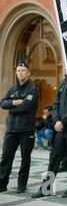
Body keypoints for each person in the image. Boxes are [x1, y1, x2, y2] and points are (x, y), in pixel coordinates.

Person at [31, 76, 67, 198]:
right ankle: (46, 188)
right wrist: (56, 121)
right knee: (54, 158)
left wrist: (63, 121)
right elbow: (56, 105)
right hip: (60, 128)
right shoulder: (63, 84)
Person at [0, 61, 39, 193]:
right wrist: (14, 102)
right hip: (11, 129)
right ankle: (2, 184)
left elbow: (26, 107)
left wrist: (11, 108)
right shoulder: (13, 89)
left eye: (22, 70)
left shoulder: (33, 89)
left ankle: (21, 185)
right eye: (18, 71)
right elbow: (3, 103)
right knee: (6, 157)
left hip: (26, 130)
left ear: (28, 73)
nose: (20, 73)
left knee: (25, 158)